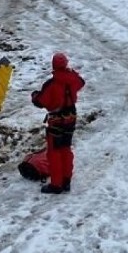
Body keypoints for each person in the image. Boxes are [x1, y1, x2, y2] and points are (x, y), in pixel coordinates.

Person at [31, 52, 85, 194]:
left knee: (54, 153)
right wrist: (71, 72)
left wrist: (34, 95)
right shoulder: (73, 79)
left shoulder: (51, 84)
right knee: (66, 149)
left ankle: (56, 185)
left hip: (56, 122)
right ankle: (66, 181)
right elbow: (81, 82)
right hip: (71, 118)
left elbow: (40, 101)